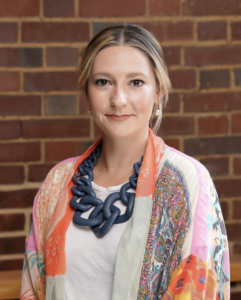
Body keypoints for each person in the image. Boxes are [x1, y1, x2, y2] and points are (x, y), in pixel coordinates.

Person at [20, 24, 230, 300]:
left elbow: (201, 289)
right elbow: (34, 288)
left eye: (136, 82)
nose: (118, 100)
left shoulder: (187, 181)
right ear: (87, 93)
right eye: (103, 82)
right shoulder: (57, 182)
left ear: (158, 92)